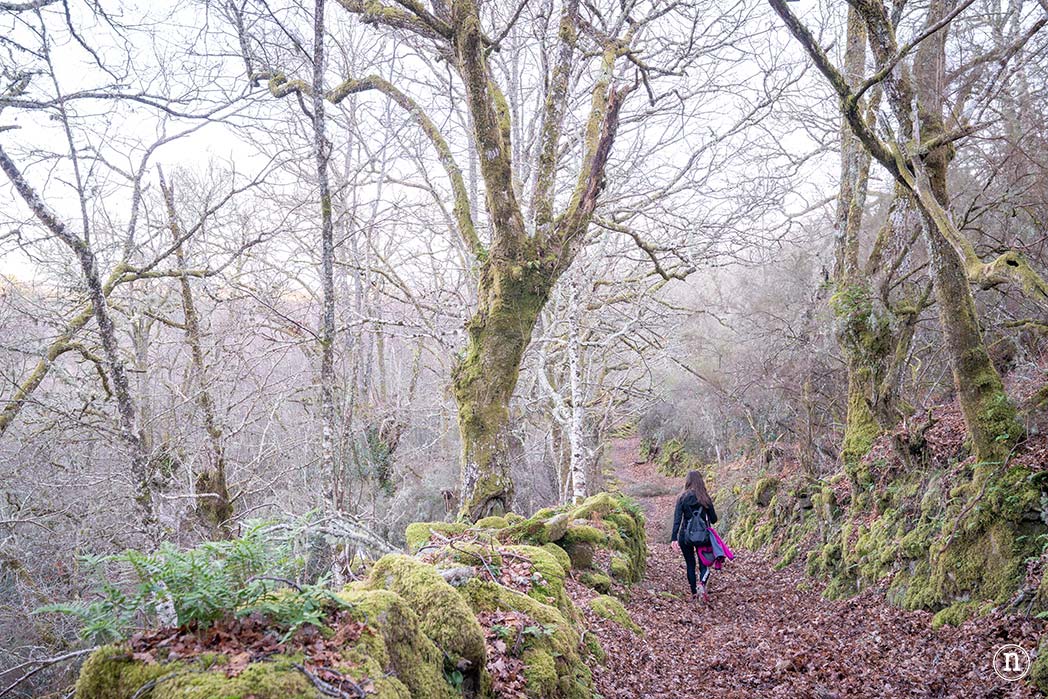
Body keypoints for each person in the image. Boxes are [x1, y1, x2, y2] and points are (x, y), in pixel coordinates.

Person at [670, 470, 718, 601]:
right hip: (703, 537)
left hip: (685, 536)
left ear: (688, 481)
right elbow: (714, 519)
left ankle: (694, 593)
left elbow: (677, 519)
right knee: (704, 563)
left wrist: (673, 538)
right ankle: (702, 584)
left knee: (690, 564)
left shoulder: (682, 498)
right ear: (700, 481)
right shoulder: (705, 498)